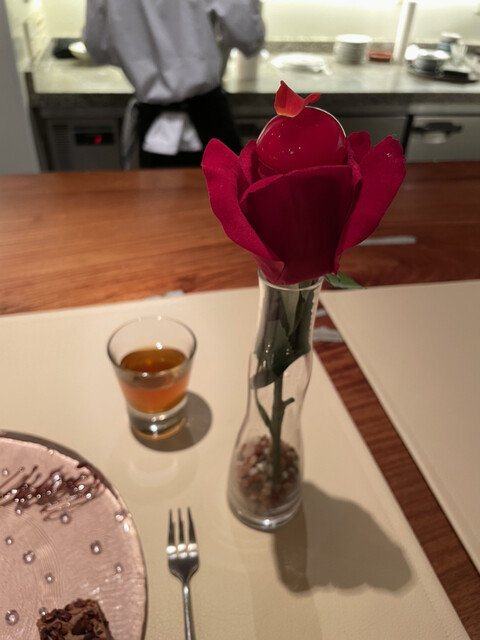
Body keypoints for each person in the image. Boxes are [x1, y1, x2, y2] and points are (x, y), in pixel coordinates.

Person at [83, 0, 265, 168]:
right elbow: (247, 35)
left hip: (153, 128)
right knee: (221, 191)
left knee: (154, 193)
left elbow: (97, 48)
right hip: (207, 118)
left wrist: (139, 58)